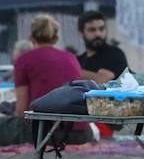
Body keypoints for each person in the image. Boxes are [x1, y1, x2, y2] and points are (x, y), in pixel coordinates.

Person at [0, 15, 88, 146]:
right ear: (56, 37)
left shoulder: (24, 60)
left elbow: (21, 111)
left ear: (31, 37)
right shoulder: (71, 58)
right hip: (79, 134)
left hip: (43, 132)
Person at [77, 11, 129, 84]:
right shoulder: (79, 61)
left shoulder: (115, 54)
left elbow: (103, 80)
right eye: (92, 30)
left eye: (101, 29)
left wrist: (74, 71)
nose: (98, 34)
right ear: (81, 33)